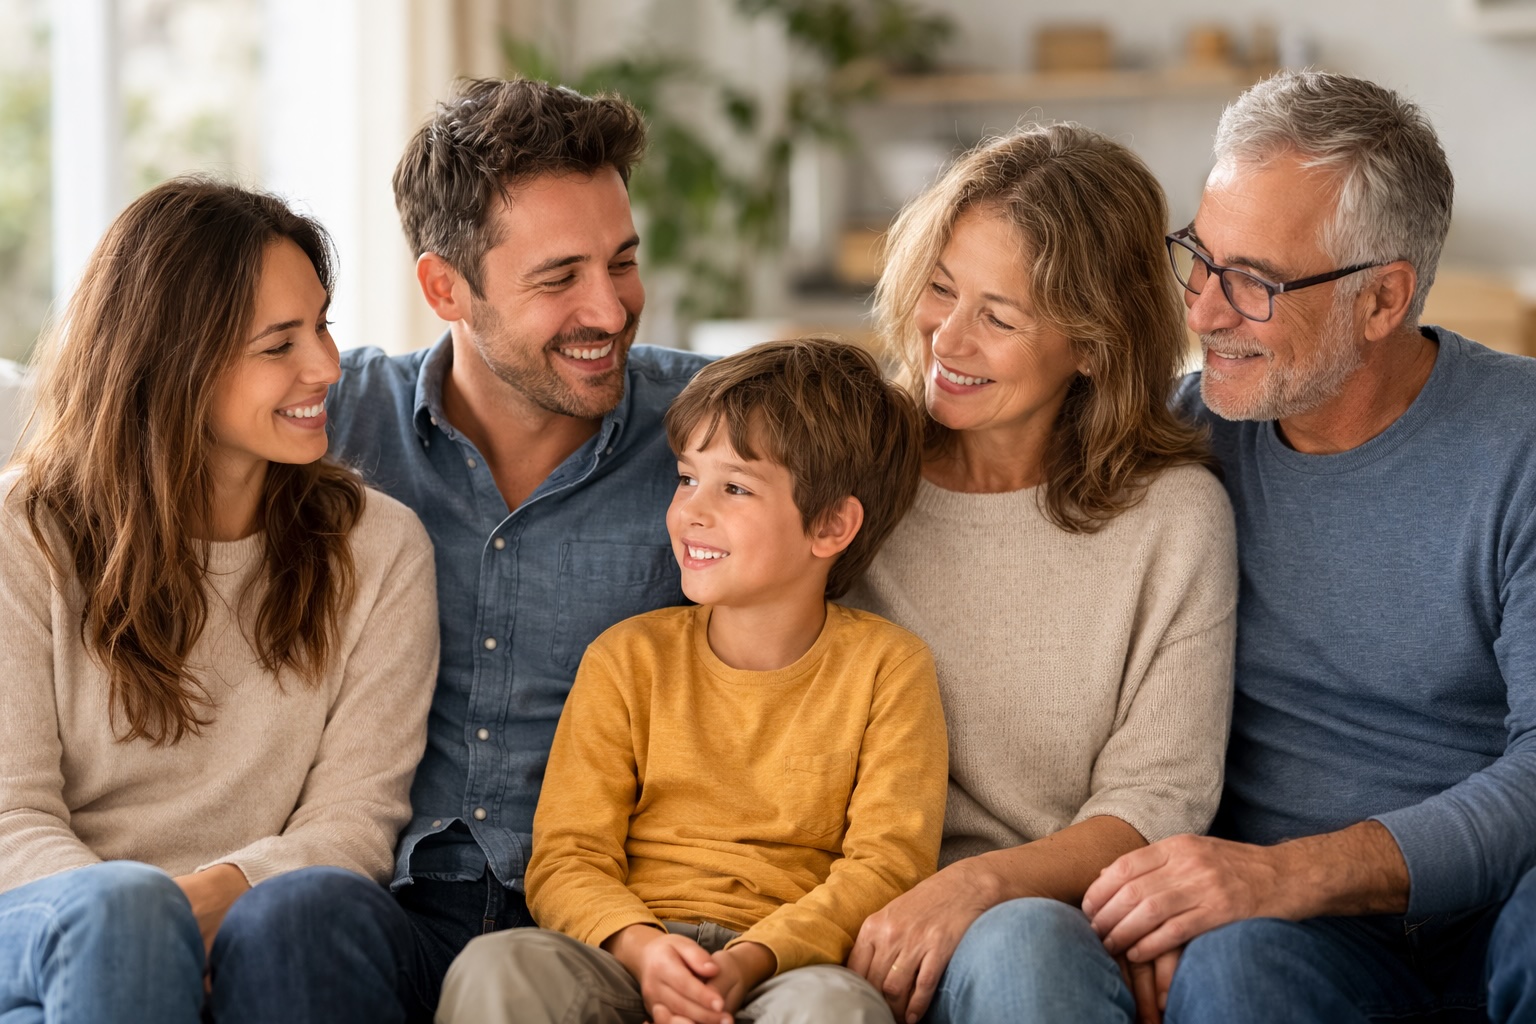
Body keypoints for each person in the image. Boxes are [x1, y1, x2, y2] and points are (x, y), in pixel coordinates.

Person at [1078, 70, 1536, 1024]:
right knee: (1237, 972)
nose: (1201, 312)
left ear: (1382, 301)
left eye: (1252, 281)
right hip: (1291, 942)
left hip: (1499, 906)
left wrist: (1289, 875)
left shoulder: (1520, 447)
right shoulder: (1176, 442)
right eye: (1200, 257)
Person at [0, 178, 439, 1023]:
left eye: (322, 325)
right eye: (279, 345)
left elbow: (355, 820)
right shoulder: (22, 535)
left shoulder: (378, 550)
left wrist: (215, 903)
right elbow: (10, 815)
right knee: (124, 919)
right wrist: (147, 931)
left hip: (259, 936)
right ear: (172, 362)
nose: (326, 366)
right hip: (50, 925)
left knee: (293, 921)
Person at [324, 77, 710, 1017]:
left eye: (621, 261)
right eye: (559, 277)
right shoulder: (336, 421)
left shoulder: (720, 430)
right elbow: (132, 438)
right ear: (444, 286)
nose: (612, 311)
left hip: (617, 922)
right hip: (396, 902)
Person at [842, 123, 1239, 1023]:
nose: (947, 336)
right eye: (940, 289)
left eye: (1000, 315)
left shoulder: (1174, 518)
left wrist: (978, 888)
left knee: (1024, 942)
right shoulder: (853, 473)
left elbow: (1158, 799)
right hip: (850, 906)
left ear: (1094, 345)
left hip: (1052, 924)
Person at [434, 338, 949, 1024]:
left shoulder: (890, 669)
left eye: (734, 487)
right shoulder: (627, 658)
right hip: (627, 957)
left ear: (831, 525)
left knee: (837, 1009)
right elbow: (566, 856)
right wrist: (643, 950)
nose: (691, 511)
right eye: (686, 478)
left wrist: (750, 960)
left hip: (789, 970)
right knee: (495, 968)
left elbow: (886, 869)